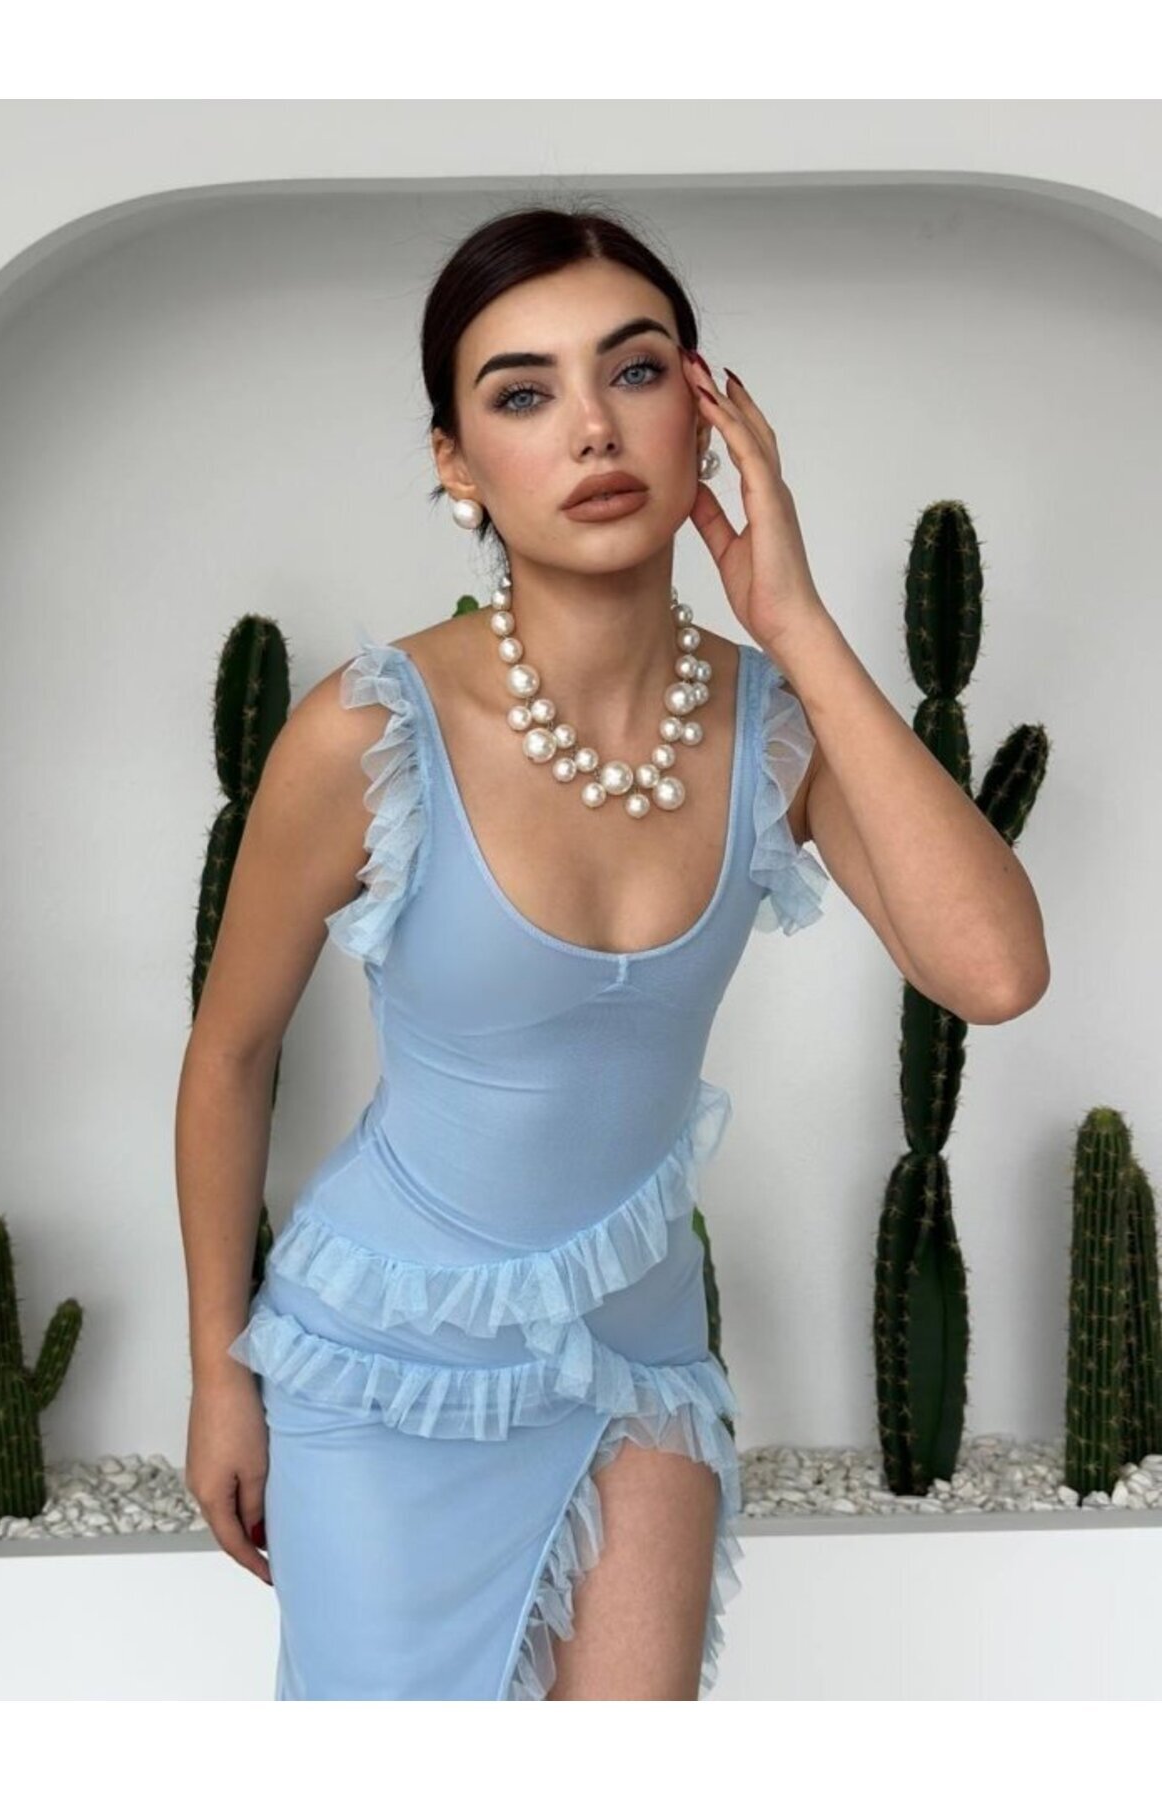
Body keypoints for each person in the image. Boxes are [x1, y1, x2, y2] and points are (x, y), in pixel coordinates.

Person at [175, 200, 830, 1700]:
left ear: (707, 410)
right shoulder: (369, 728)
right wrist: (219, 1370)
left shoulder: (772, 721)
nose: (593, 426)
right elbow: (230, 1052)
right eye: (523, 394)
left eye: (637, 371)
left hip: (639, 1365)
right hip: (382, 1367)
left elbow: (994, 971)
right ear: (458, 464)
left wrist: (791, 619)